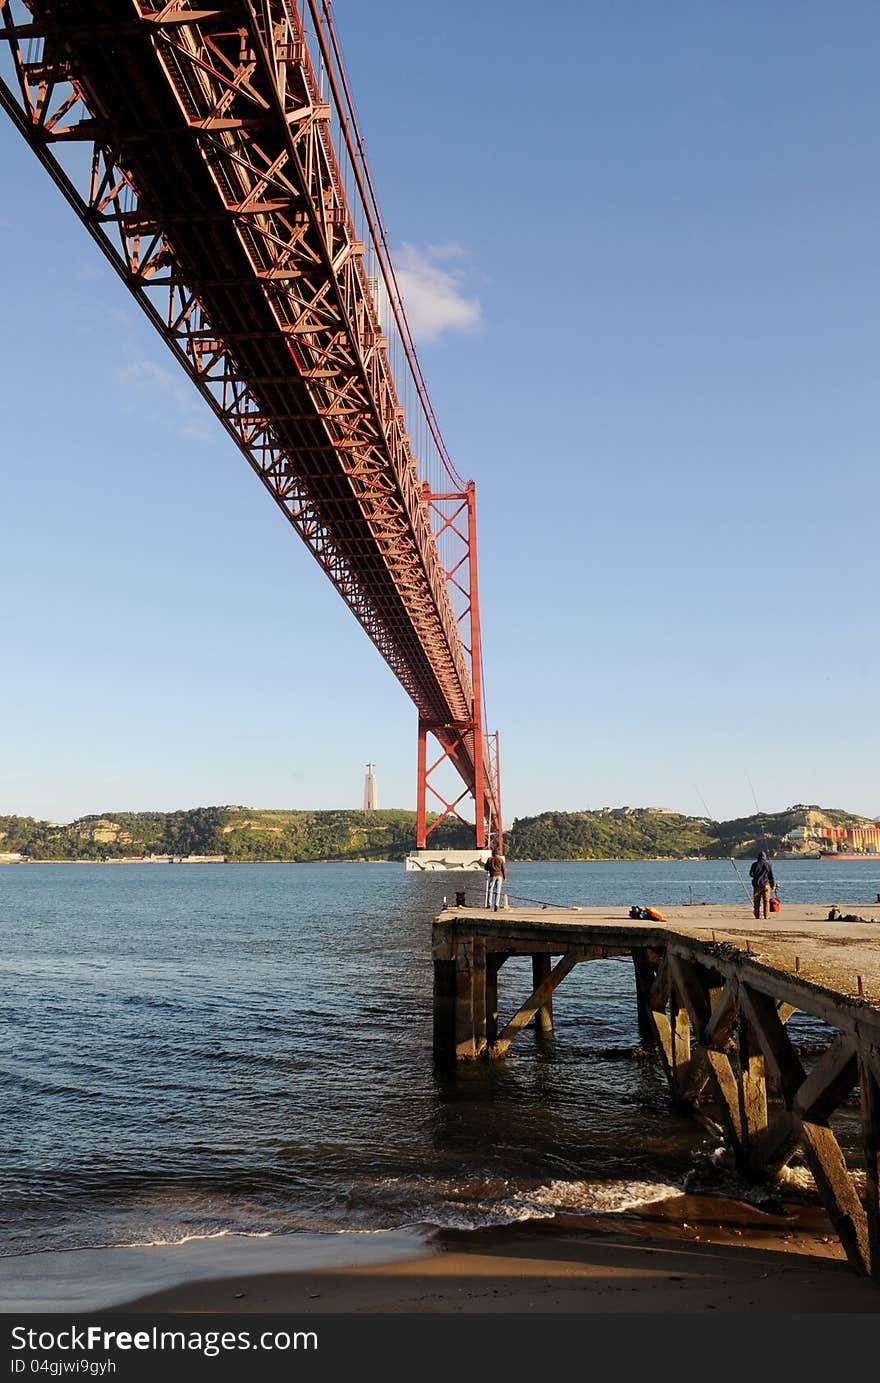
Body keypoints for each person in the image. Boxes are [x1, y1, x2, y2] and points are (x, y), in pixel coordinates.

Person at [749, 849, 776, 920]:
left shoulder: (754, 864)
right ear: (765, 857)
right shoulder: (768, 864)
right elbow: (771, 876)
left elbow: (751, 874)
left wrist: (755, 875)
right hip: (766, 885)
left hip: (757, 885)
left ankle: (757, 915)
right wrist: (773, 885)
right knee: (766, 901)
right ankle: (766, 916)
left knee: (756, 902)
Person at [484, 845, 507, 911]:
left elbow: (486, 868)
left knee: (490, 890)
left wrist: (488, 867)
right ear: (498, 853)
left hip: (492, 876)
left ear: (492, 853)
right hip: (499, 876)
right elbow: (503, 869)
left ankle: (489, 904)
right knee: (498, 891)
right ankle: (496, 904)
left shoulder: (489, 859)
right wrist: (505, 877)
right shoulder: (501, 859)